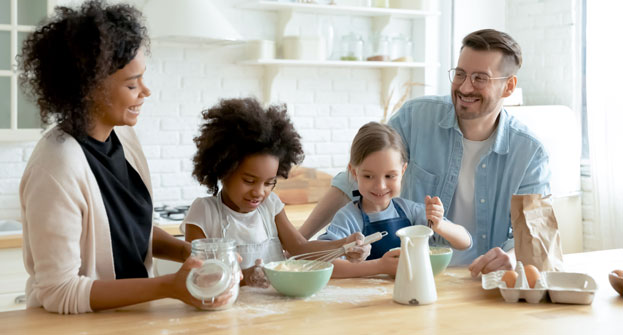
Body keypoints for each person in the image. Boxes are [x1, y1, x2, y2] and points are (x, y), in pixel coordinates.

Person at [18, 0, 226, 314]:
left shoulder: (123, 137)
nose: (146, 91)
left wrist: (192, 253)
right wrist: (170, 287)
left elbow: (129, 232)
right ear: (89, 88)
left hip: (133, 318)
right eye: (132, 84)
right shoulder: (56, 166)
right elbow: (59, 291)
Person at [300, 29, 551, 278]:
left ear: (509, 86)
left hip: (479, 282)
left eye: (480, 78)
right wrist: (299, 241)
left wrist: (511, 258)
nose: (465, 87)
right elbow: (353, 179)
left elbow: (535, 235)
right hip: (412, 274)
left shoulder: (530, 153)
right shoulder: (414, 118)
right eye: (460, 74)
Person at [182, 97, 370, 287]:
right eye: (249, 181)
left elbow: (300, 248)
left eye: (269, 183)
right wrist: (244, 277)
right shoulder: (204, 212)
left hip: (276, 310)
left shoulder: (270, 205)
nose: (259, 192)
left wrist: (344, 246)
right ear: (222, 170)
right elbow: (198, 274)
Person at [317, 122, 472, 278]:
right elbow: (322, 263)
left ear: (403, 170)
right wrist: (379, 266)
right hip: (366, 300)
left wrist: (440, 224)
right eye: (368, 176)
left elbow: (465, 242)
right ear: (354, 173)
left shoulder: (411, 212)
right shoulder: (348, 218)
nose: (380, 186)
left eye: (389, 176)